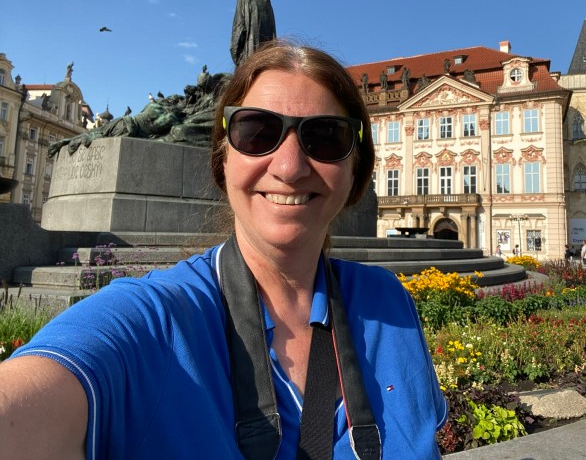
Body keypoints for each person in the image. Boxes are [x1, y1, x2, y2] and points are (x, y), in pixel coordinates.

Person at [0, 41, 447, 459]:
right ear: (223, 158)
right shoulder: (155, 320)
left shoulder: (390, 303)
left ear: (355, 171)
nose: (289, 167)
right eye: (257, 132)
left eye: (326, 137)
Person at [230, 0, 277, 67]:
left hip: (266, 42)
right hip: (251, 39)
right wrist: (236, 49)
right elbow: (239, 19)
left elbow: (272, 25)